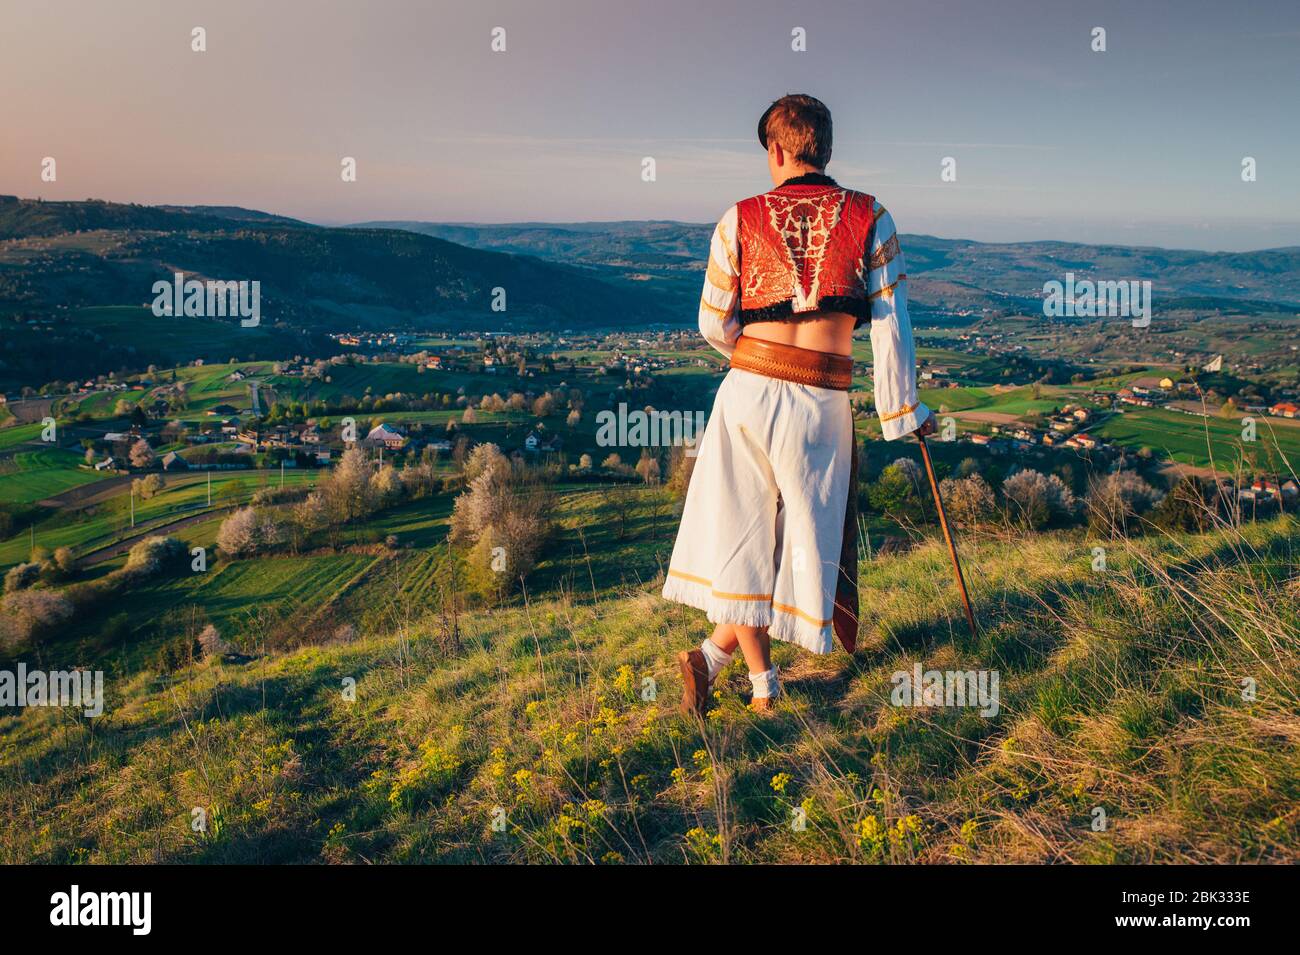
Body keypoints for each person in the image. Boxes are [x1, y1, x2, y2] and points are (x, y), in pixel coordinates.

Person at [662, 93, 935, 714]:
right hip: (820, 396)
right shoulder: (872, 217)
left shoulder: (739, 218)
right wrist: (902, 412)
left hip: (748, 390)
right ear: (826, 148)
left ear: (778, 150)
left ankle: (724, 667)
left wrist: (755, 354)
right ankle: (757, 686)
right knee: (796, 543)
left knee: (743, 535)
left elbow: (711, 321)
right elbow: (893, 322)